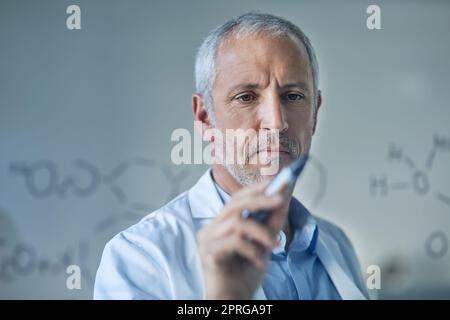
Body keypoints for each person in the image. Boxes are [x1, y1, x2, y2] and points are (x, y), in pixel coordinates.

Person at [94, 12, 368, 300]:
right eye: (246, 97)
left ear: (315, 114)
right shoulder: (140, 258)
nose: (276, 122)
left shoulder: (338, 244)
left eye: (293, 96)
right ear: (204, 117)